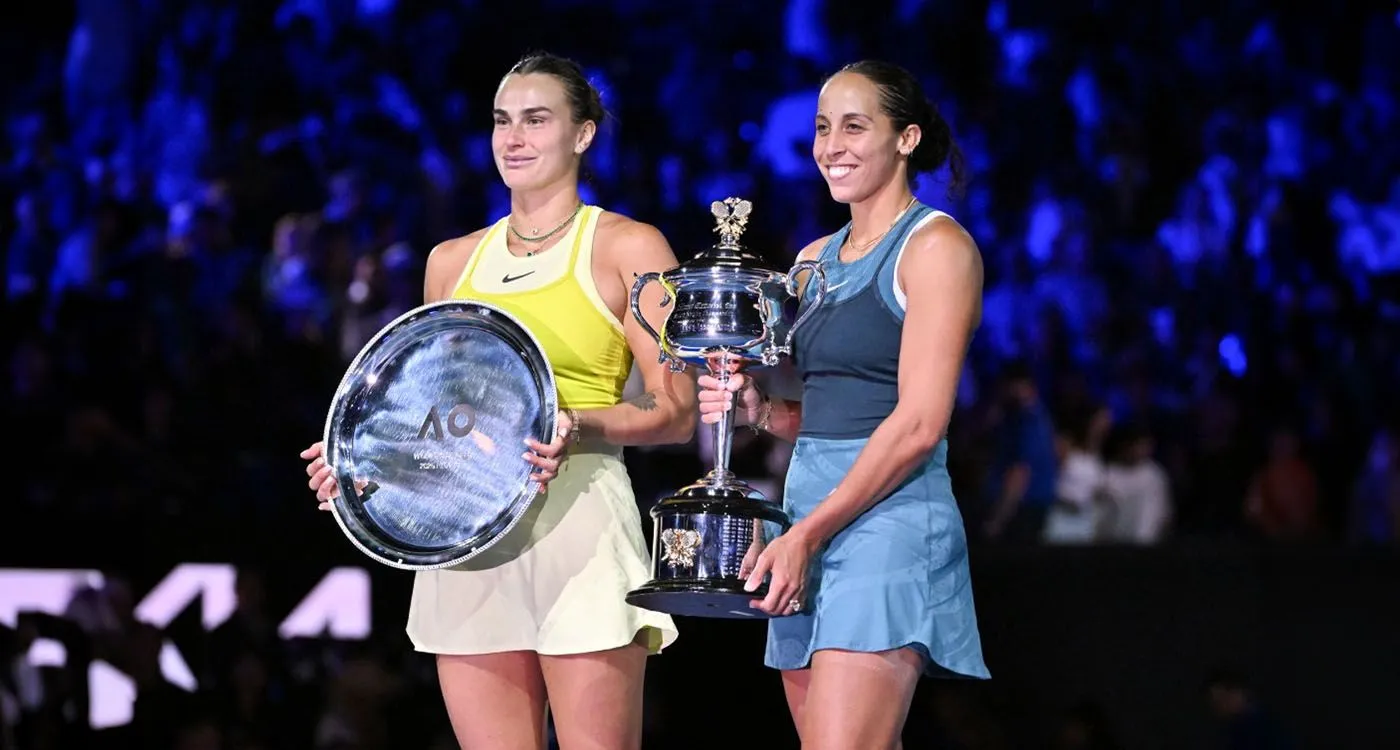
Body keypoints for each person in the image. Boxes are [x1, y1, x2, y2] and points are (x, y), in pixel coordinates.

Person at [300, 52, 695, 750]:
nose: (513, 138)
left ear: (583, 135)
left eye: (536, 120)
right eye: (501, 121)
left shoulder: (630, 247)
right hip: (465, 537)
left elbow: (676, 411)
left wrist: (578, 425)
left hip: (579, 528)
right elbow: (434, 422)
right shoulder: (451, 262)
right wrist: (367, 470)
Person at [697, 60, 990, 748]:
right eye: (823, 128)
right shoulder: (810, 262)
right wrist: (758, 410)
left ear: (907, 138)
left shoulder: (936, 247)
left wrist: (807, 534)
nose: (831, 145)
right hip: (808, 518)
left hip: (884, 521)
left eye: (855, 127)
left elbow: (918, 424)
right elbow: (824, 411)